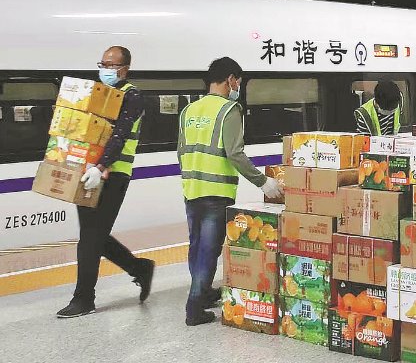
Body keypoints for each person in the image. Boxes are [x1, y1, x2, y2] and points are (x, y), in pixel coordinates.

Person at [178, 57, 283, 326]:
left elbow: (181, 151)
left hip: (192, 188)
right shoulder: (229, 110)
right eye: (238, 82)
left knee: (196, 246)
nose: (238, 87)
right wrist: (262, 182)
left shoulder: (189, 110)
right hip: (216, 191)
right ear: (231, 80)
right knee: (209, 250)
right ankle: (194, 307)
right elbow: (235, 153)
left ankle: (202, 291)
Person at [57, 46, 154, 318]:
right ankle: (139, 268)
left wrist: (101, 167)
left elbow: (120, 134)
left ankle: (84, 298)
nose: (105, 69)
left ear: (125, 69)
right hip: (85, 169)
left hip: (114, 174)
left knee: (91, 237)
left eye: (111, 65)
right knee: (92, 235)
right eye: (102, 64)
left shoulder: (132, 96)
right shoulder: (97, 93)